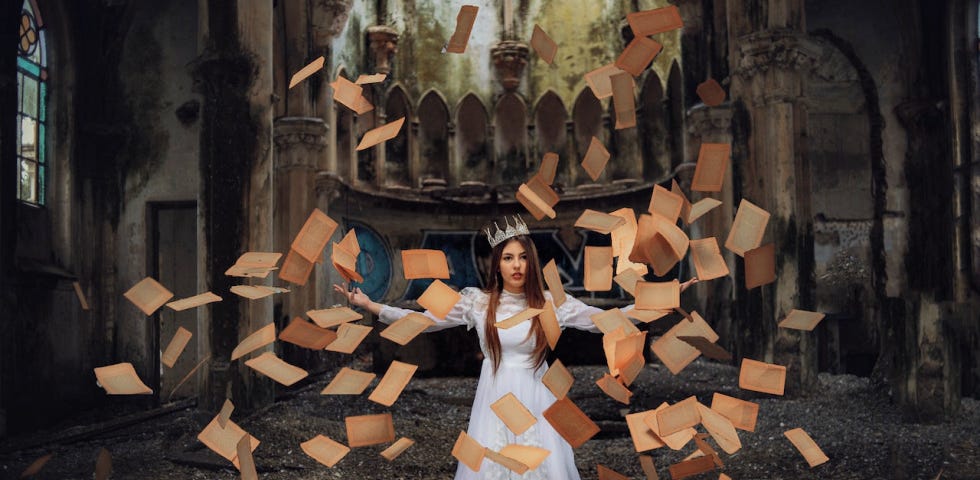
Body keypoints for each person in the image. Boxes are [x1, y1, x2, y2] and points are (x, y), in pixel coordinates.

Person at [334, 216, 698, 479]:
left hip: (537, 396)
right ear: (497, 264)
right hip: (494, 396)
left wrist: (661, 299)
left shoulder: (552, 303)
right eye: (508, 258)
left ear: (532, 262)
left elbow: (606, 319)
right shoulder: (477, 302)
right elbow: (422, 320)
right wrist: (371, 306)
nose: (516, 265)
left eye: (523, 257)